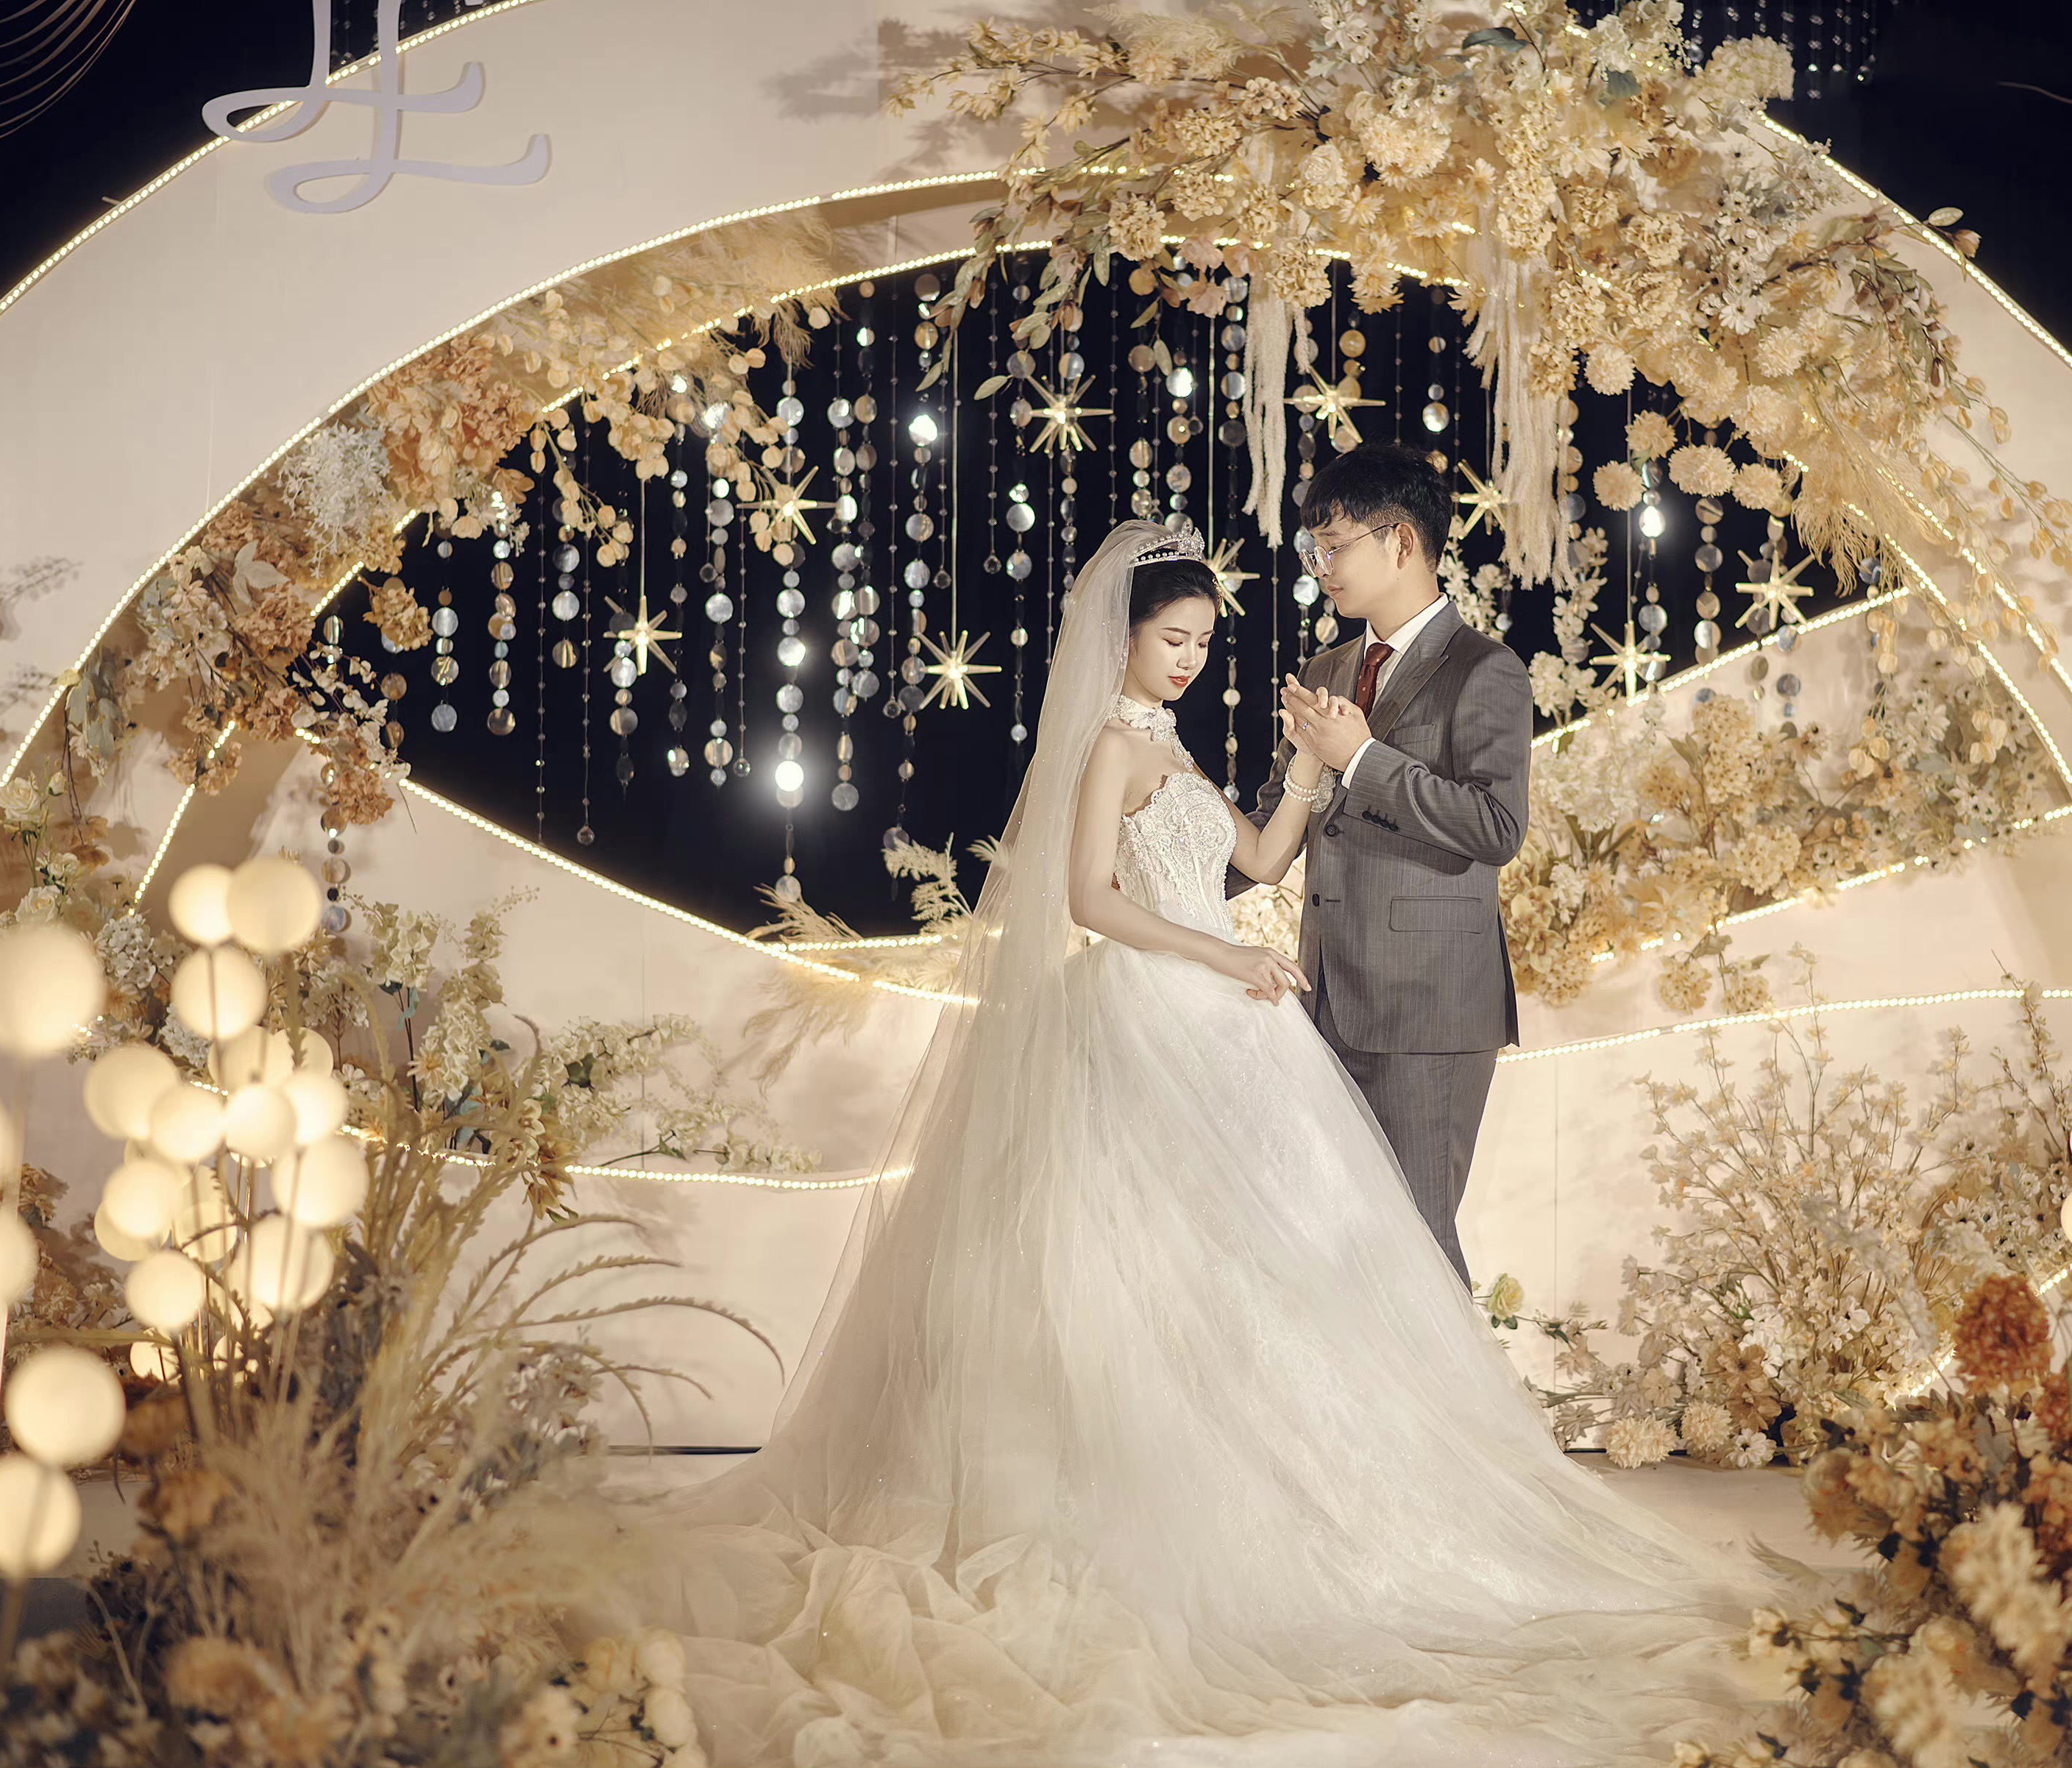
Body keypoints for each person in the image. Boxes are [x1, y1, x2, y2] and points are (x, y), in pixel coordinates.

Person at [626, 519, 1811, 1767]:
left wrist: (1308, 766)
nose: (1189, 659)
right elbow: (1090, 898)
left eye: (1201, 641)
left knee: (1282, 1259)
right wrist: (1221, 957)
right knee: (1149, 1268)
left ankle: (1321, 1490)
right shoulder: (1105, 744)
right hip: (1154, 1005)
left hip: (1226, 1006)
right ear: (1122, 637)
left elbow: (1253, 856)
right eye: (1172, 638)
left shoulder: (1172, 740)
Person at [1234, 441, 1528, 1290]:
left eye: (1334, 547)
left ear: (1401, 542)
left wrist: (1362, 759)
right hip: (1325, 997)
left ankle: (1462, 1389)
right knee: (1338, 1251)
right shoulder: (1327, 669)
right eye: (1314, 550)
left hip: (1429, 1010)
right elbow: (1276, 817)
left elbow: (1496, 827)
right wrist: (1164, 871)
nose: (1320, 568)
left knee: (1415, 1246)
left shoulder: (1485, 669)